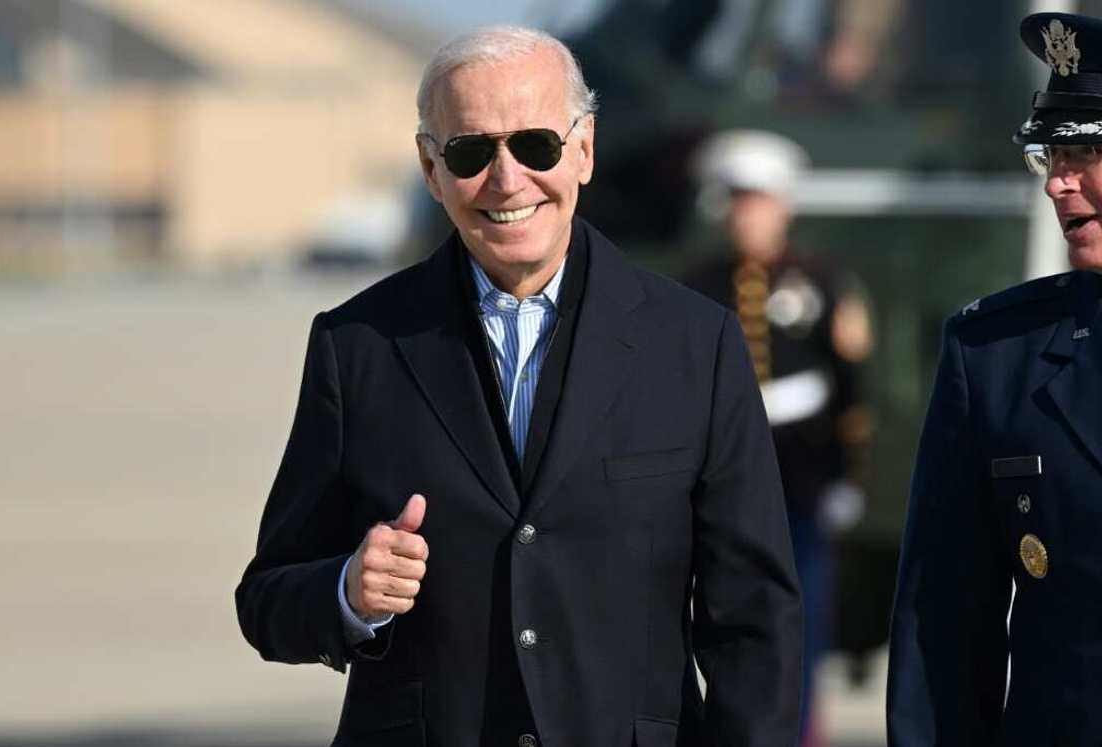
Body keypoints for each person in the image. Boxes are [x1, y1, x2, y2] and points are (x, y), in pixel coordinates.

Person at [235, 26, 802, 746]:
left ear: (585, 149)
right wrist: (348, 591)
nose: (507, 180)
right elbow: (267, 599)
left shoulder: (698, 345)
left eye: (535, 145)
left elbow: (755, 620)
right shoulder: (358, 347)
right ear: (430, 168)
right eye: (472, 152)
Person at [887, 12, 1102, 745]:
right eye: (1051, 157)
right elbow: (942, 619)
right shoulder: (996, 353)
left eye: (1089, 153)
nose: (1059, 184)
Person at [681, 130, 873, 747]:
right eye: (737, 201)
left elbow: (850, 386)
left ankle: (799, 732)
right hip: (723, 480)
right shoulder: (699, 284)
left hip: (801, 478)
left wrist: (846, 474)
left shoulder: (819, 282)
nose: (748, 214)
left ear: (783, 206)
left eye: (759, 200)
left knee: (802, 613)